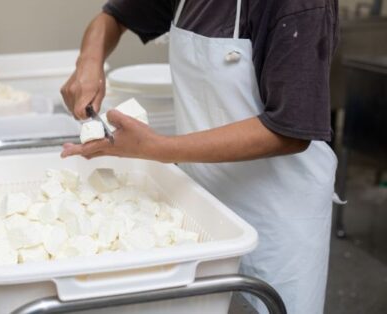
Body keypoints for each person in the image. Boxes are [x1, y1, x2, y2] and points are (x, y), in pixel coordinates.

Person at [61, 0, 338, 313]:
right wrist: (88, 63)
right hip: (201, 206)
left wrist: (156, 148)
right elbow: (112, 17)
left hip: (275, 216)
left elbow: (290, 130)